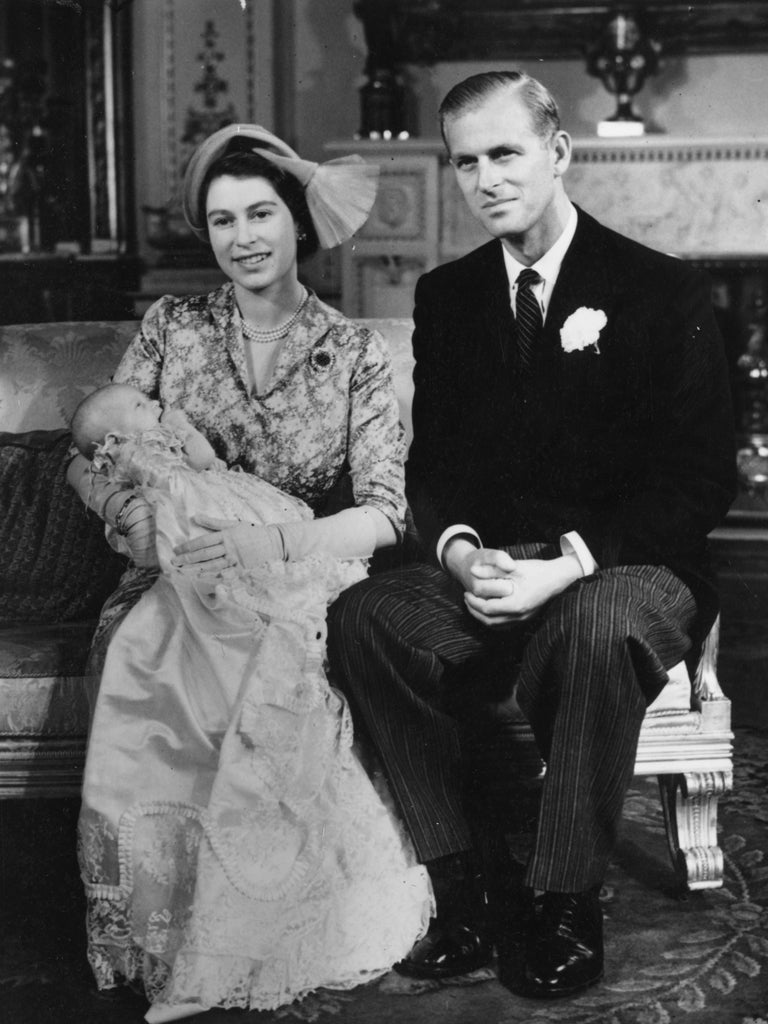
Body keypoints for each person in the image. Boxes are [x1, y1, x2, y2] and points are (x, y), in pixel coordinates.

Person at [327, 70, 737, 1000]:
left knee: (592, 625)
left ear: (557, 152)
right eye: (464, 162)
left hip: (634, 562)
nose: (486, 180)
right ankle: (461, 884)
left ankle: (561, 899)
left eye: (505, 153)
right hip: (500, 562)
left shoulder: (662, 290)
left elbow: (702, 479)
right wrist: (465, 552)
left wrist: (571, 565)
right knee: (364, 618)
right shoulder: (450, 294)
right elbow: (439, 468)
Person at [67, 125, 432, 1020]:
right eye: (223, 219)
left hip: (293, 573)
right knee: (154, 654)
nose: (243, 237)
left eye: (261, 212)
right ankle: (178, 930)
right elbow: (94, 456)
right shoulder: (172, 329)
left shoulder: (352, 354)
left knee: (270, 671)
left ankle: (252, 934)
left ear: (297, 221)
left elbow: (387, 512)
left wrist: (272, 547)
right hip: (174, 576)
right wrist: (133, 517)